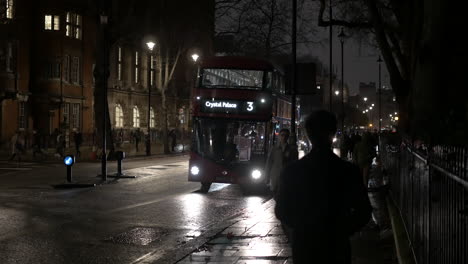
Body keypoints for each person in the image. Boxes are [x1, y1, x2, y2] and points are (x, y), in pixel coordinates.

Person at [275, 110, 372, 264]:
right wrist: (342, 230)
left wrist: (302, 228)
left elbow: (281, 210)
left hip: (305, 245)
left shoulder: (292, 171)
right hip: (337, 246)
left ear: (308, 134)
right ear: (333, 133)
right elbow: (364, 211)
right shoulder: (348, 170)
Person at [265, 128, 298, 195]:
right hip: (275, 177)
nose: (284, 137)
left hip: (287, 178)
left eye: (286, 135)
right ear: (279, 136)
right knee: (275, 195)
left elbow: (295, 165)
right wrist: (266, 177)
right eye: (282, 135)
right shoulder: (274, 148)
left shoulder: (292, 150)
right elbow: (269, 163)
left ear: (288, 137)